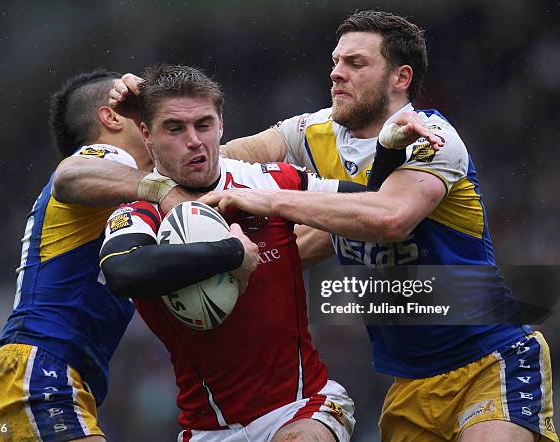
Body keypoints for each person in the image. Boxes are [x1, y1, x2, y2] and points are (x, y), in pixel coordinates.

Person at [195, 10, 557, 442]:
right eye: (336, 61)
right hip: (409, 383)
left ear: (400, 77)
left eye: (356, 63)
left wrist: (270, 198)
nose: (336, 73)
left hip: (490, 360)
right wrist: (165, 157)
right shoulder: (313, 132)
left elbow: (390, 218)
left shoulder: (434, 136)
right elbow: (225, 161)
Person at [99, 63, 417, 442]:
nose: (194, 140)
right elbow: (122, 272)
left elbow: (366, 206)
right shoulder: (139, 212)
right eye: (174, 128)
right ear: (147, 136)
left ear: (221, 125)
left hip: (303, 406)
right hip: (206, 430)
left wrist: (386, 154)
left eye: (203, 124)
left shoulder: (269, 179)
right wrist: (230, 254)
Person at [0, 69, 166, 441]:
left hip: (13, 384)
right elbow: (69, 175)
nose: (156, 122)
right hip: (36, 377)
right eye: (144, 111)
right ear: (111, 117)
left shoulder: (129, 197)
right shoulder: (108, 157)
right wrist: (165, 187)